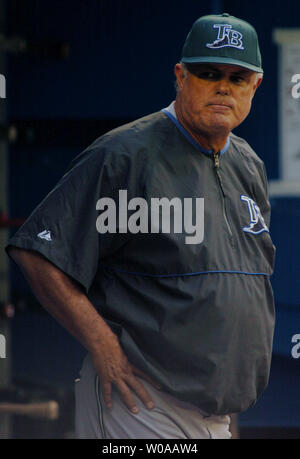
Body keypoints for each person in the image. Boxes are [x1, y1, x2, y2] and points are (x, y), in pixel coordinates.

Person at [6, 13, 275, 439]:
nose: (224, 86)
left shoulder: (249, 164)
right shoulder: (125, 155)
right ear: (180, 76)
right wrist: (102, 344)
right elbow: (39, 251)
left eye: (237, 77)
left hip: (215, 416)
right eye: (208, 73)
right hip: (141, 401)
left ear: (255, 85)